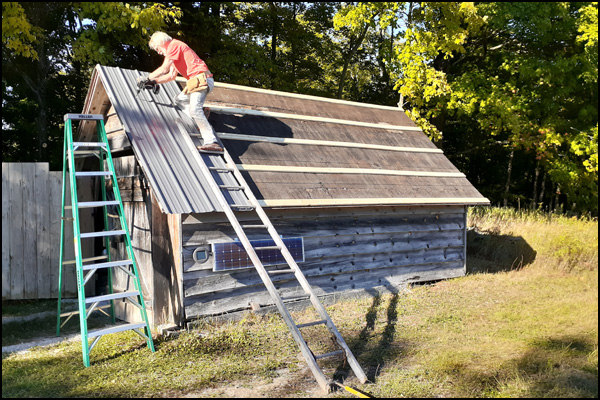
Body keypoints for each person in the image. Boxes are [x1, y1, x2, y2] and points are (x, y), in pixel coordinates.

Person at [139, 31, 223, 152]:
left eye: (157, 48)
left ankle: (212, 142)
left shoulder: (173, 45)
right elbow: (171, 75)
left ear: (162, 42)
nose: (158, 52)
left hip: (202, 79)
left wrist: (147, 78)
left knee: (194, 109)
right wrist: (154, 81)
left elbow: (164, 68)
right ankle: (202, 115)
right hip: (195, 82)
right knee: (179, 100)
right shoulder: (174, 53)